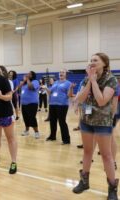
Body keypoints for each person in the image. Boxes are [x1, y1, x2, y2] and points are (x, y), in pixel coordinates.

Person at [72, 53, 118, 200]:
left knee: (106, 155)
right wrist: (90, 82)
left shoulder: (111, 79)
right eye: (91, 60)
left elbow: (102, 101)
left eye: (95, 60)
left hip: (102, 123)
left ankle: (112, 189)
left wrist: (94, 81)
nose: (92, 62)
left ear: (104, 63)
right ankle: (84, 182)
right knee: (87, 152)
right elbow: (79, 99)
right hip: (86, 121)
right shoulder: (87, 79)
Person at [45, 69, 74, 144]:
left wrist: (71, 88)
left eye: (63, 72)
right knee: (52, 121)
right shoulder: (55, 83)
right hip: (52, 104)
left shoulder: (68, 83)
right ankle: (52, 136)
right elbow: (50, 92)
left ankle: (66, 140)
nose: (61, 73)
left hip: (62, 105)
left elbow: (69, 95)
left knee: (62, 122)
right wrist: (45, 88)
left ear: (65, 74)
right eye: (60, 72)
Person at [19, 71, 40, 139]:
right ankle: (27, 130)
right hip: (24, 104)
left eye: (29, 74)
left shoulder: (35, 81)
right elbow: (20, 91)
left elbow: (31, 87)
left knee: (32, 118)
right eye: (27, 74)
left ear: (32, 75)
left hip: (32, 103)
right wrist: (23, 82)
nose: (27, 75)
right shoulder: (24, 84)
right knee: (25, 118)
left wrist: (27, 79)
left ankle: (36, 132)